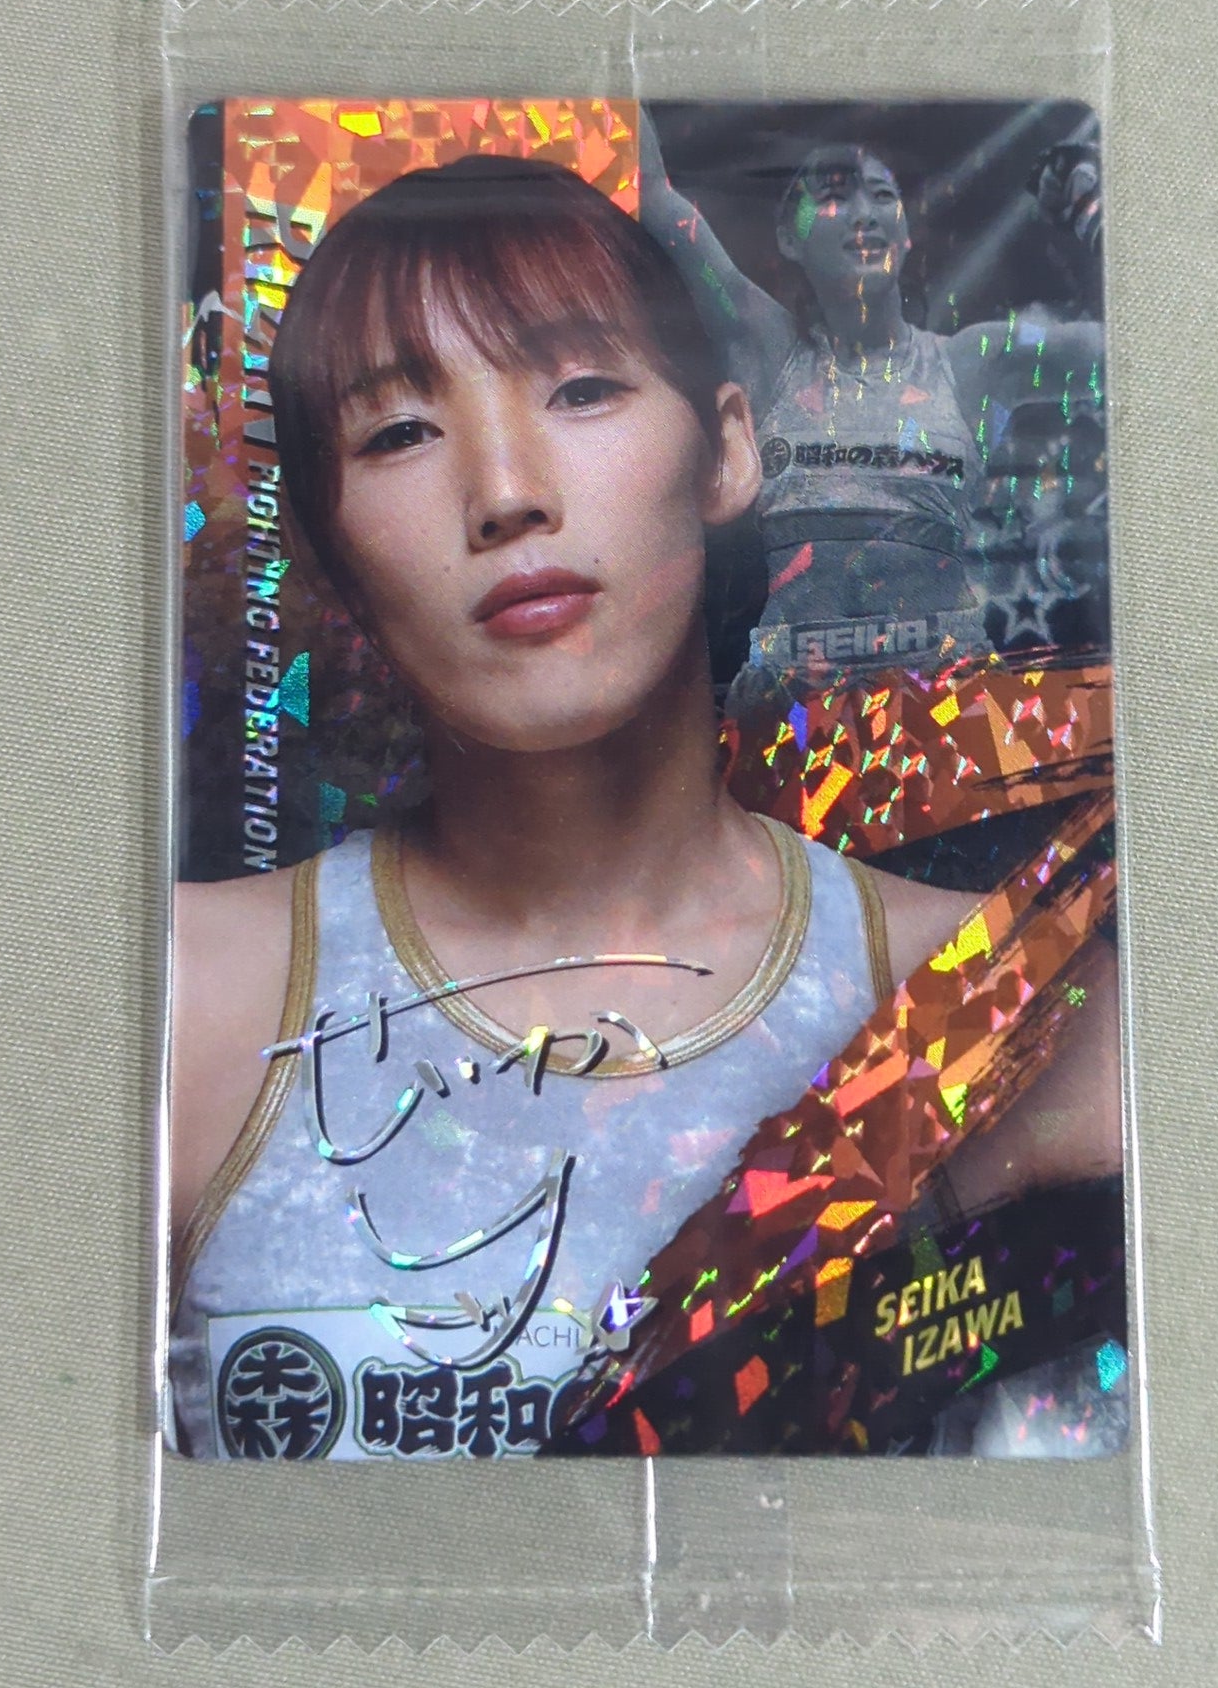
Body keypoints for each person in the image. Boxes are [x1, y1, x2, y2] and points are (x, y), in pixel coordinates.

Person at [167, 156, 999, 1462]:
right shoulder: (187, 1004)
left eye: (582, 388)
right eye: (400, 433)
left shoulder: (979, 994)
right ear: (330, 554)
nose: (507, 493)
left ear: (729, 451)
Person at [637, 116, 1106, 685]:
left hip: (948, 710)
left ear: (904, 235)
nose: (865, 213)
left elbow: (1127, 354)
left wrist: (1093, 210)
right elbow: (655, 196)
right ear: (790, 237)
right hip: (791, 716)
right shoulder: (770, 354)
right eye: (834, 195)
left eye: (883, 196)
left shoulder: (972, 362)